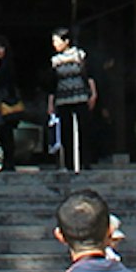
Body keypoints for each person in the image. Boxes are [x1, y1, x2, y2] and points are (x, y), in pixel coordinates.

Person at [48, 30, 94, 171]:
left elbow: (89, 75)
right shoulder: (55, 61)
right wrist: (51, 103)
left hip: (80, 96)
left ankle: (85, 162)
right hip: (63, 98)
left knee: (84, 130)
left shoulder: (80, 55)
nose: (55, 44)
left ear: (66, 41)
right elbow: (52, 84)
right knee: (66, 132)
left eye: (57, 40)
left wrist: (93, 93)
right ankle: (68, 163)